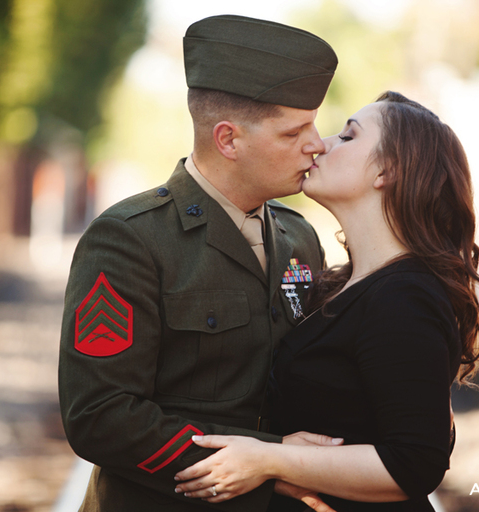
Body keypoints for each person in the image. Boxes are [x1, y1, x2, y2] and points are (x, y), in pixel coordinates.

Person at [58, 14, 341, 512]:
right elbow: (100, 416)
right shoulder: (130, 239)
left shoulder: (299, 236)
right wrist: (271, 462)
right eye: (294, 132)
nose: (316, 143)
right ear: (228, 140)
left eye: (314, 126)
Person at [173, 91, 479, 511]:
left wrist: (269, 459)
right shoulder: (342, 283)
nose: (319, 144)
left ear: (387, 171)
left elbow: (415, 462)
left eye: (347, 136)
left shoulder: (404, 298)